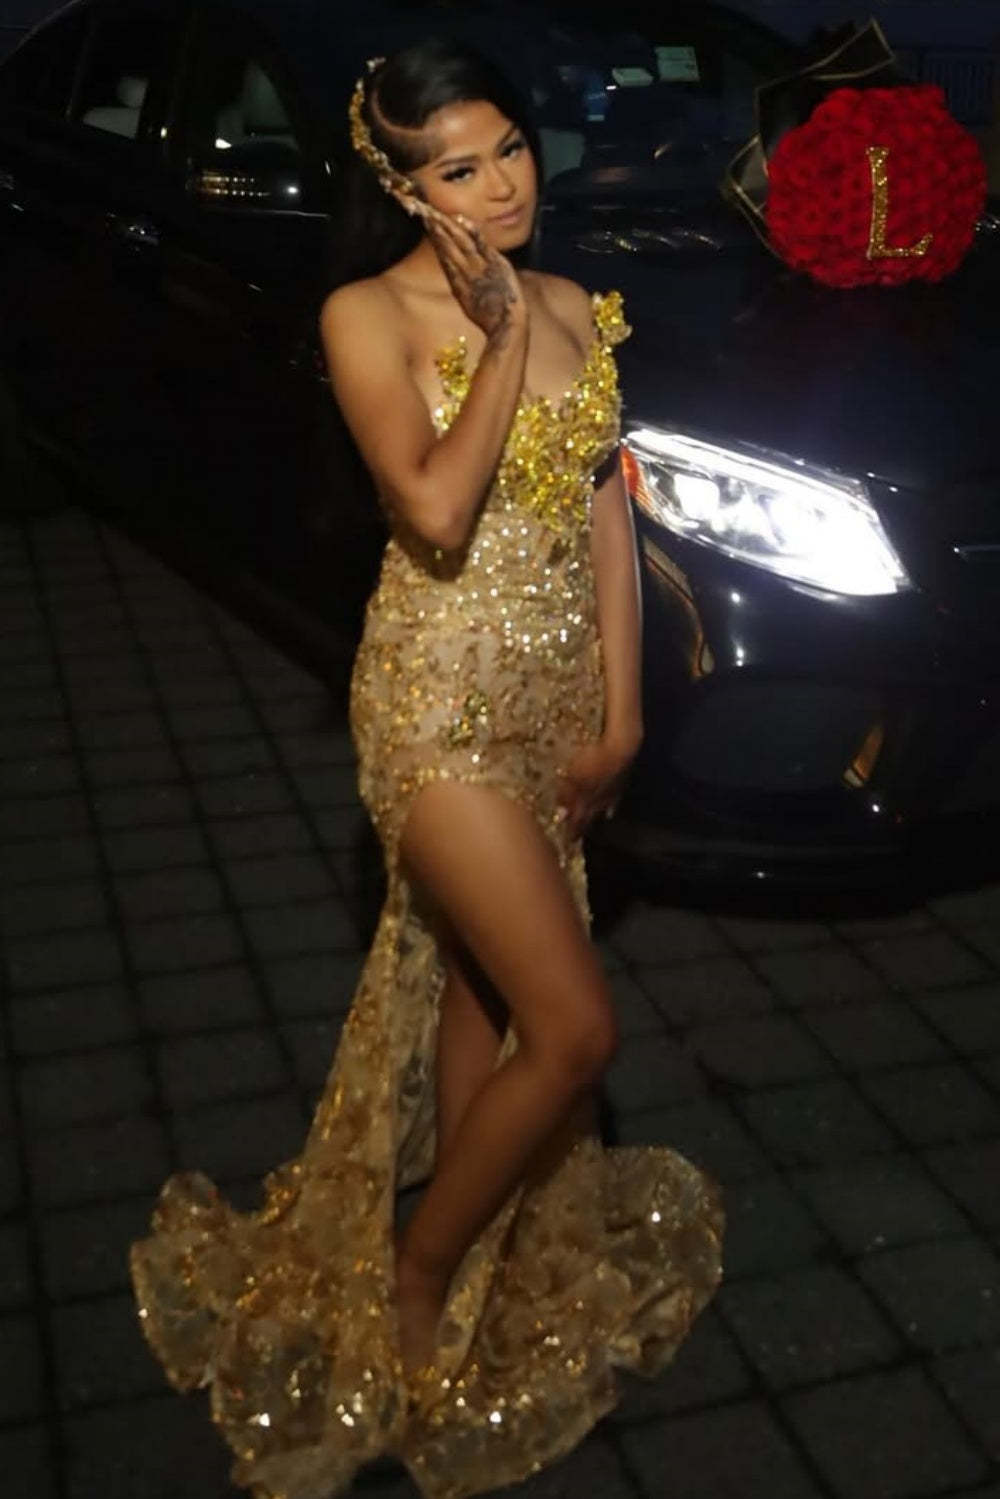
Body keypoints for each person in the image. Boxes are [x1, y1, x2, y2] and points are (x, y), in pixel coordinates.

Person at [129, 38, 724, 1499]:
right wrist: (500, 338)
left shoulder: (577, 301)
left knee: (483, 985)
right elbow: (439, 510)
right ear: (404, 190)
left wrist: (626, 713)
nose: (504, 183)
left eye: (511, 147)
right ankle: (418, 1264)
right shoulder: (366, 316)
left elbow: (607, 513)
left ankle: (474, 1221)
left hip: (555, 701)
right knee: (574, 1030)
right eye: (460, 168)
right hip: (438, 705)